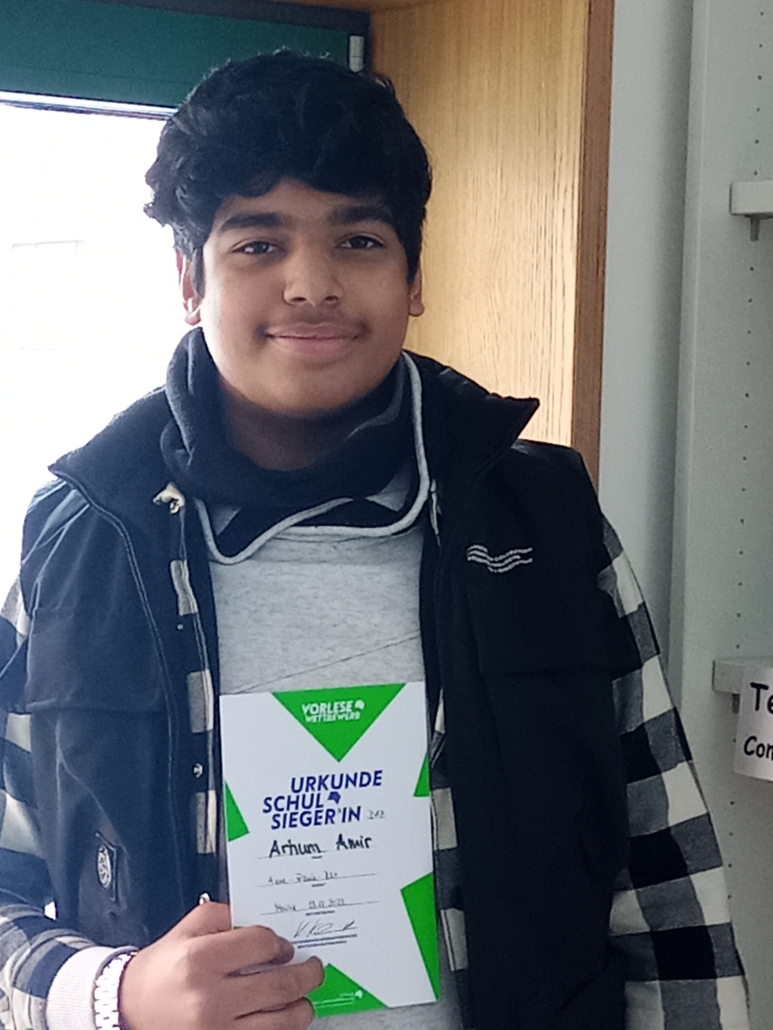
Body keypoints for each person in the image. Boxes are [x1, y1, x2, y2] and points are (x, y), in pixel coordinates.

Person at [0, 51, 748, 1030]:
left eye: (357, 239)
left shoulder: (541, 522)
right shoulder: (83, 539)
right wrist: (117, 993)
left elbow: (665, 884)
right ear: (189, 278)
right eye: (257, 244)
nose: (310, 285)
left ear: (413, 276)